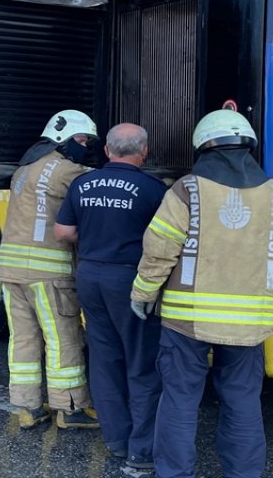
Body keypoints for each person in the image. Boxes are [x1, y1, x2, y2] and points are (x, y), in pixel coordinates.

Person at [131, 110, 273, 478]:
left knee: (180, 400)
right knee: (242, 401)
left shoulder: (187, 190)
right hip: (251, 323)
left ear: (202, 147)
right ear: (249, 147)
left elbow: (160, 247)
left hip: (187, 320)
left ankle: (174, 474)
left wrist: (143, 292)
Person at [54, 123, 166, 470]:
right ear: (144, 151)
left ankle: (116, 440)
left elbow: (63, 232)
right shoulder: (153, 189)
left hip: (90, 275)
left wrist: (93, 237)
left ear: (107, 150)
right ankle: (141, 450)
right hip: (130, 279)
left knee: (104, 358)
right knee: (142, 360)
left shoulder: (82, 183)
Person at [0, 109, 101, 430]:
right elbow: (101, 185)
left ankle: (28, 408)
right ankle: (70, 408)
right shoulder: (68, 170)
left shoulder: (24, 169)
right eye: (82, 140)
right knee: (63, 338)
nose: (86, 147)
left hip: (9, 270)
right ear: (63, 139)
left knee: (23, 339)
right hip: (48, 274)